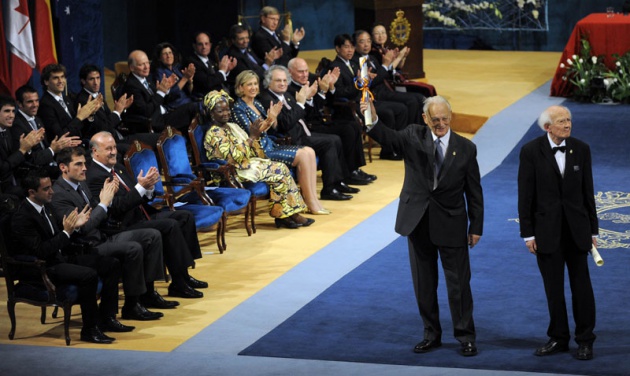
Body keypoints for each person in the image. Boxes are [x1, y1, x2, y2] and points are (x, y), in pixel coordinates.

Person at [364, 95, 483, 357]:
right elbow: (386, 136)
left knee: (459, 285)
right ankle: (431, 334)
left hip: (451, 223)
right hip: (417, 221)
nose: (440, 124)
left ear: (450, 118)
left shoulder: (466, 148)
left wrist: (476, 226)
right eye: (435, 119)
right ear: (425, 118)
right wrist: (371, 116)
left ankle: (466, 336)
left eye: (444, 119)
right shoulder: (412, 135)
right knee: (424, 284)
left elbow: (474, 191)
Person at [51, 147, 171, 320]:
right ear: (63, 167)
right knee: (133, 249)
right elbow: (84, 227)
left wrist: (106, 202)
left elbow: (97, 212)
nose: (85, 168)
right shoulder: (59, 195)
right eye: (78, 164)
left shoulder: (81, 183)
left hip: (103, 235)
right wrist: (104, 203)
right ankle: (131, 305)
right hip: (86, 246)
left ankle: (147, 294)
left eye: (85, 163)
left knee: (150, 236)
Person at [517, 105, 598, 361]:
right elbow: (525, 195)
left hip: (577, 232)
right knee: (553, 289)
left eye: (569, 120)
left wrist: (593, 230)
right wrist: (527, 234)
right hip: (546, 233)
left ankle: (585, 340)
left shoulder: (581, 149)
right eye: (561, 121)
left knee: (582, 288)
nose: (567, 124)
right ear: (547, 127)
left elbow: (588, 193)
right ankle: (559, 338)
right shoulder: (530, 152)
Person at [12, 169, 129, 343]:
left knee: (110, 264)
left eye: (51, 187)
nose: (51, 191)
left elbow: (61, 235)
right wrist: (67, 232)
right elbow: (41, 251)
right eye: (46, 189)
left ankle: (107, 318)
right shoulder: (22, 218)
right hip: (42, 267)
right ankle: (89, 330)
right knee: (88, 275)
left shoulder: (47, 206)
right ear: (32, 192)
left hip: (60, 258)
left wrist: (75, 227)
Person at [86, 131, 207, 299]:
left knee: (184, 217)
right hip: (123, 225)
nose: (114, 152)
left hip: (141, 214)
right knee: (169, 226)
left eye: (114, 147)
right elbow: (117, 207)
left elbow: (137, 194)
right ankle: (177, 283)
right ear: (95, 152)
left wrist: (148, 188)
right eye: (108, 149)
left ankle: (183, 275)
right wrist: (141, 187)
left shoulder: (118, 168)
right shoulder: (94, 177)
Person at [203, 90, 314, 229]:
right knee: (279, 170)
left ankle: (287, 214)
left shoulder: (232, 126)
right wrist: (252, 136)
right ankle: (286, 215)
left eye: (227, 109)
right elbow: (233, 158)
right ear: (211, 113)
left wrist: (260, 130)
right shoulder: (214, 133)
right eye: (220, 111)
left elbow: (251, 148)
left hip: (247, 163)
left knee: (281, 168)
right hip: (233, 171)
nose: (226, 113)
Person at [231, 70, 329, 214]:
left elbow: (269, 129)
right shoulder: (238, 108)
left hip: (270, 145)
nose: (253, 87)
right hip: (259, 152)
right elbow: (253, 133)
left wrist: (272, 119)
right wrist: (270, 119)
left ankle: (314, 199)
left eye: (255, 84)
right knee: (302, 155)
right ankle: (309, 203)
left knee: (309, 151)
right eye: (249, 85)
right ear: (240, 88)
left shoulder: (257, 103)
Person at [259, 65, 357, 201]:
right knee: (330, 141)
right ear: (269, 82)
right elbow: (285, 124)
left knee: (335, 138)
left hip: (304, 133)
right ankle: (329, 189)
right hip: (291, 139)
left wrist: (309, 99)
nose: (282, 84)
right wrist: (300, 103)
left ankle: (337, 182)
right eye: (278, 81)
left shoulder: (286, 95)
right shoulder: (266, 99)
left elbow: (306, 115)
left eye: (284, 80)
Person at [287, 57, 375, 185]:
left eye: (306, 71)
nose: (305, 74)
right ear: (290, 72)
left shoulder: (312, 80)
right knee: (341, 134)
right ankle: (346, 174)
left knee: (351, 126)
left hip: (320, 122)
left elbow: (328, 103)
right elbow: (307, 114)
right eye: (301, 71)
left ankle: (353, 170)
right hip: (308, 127)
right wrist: (312, 96)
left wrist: (328, 88)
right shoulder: (289, 90)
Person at [328, 34, 408, 160]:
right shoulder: (335, 67)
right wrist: (359, 83)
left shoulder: (353, 64)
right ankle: (389, 150)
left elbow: (362, 85)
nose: (350, 50)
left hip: (365, 100)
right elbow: (341, 93)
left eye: (352, 47)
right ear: (337, 49)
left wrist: (367, 79)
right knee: (387, 113)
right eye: (346, 47)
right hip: (352, 105)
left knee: (401, 108)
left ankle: (398, 146)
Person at [353, 30, 424, 125]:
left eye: (369, 41)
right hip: (376, 95)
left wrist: (398, 58)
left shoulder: (372, 58)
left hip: (386, 90)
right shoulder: (357, 61)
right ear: (355, 45)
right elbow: (372, 83)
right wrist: (385, 64)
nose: (366, 44)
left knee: (419, 98)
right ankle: (407, 133)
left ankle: (418, 130)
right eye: (362, 42)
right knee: (411, 101)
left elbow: (384, 74)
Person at [12, 85, 82, 179]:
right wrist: (52, 149)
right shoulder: (17, 125)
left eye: (36, 100)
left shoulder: (37, 120)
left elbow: (47, 146)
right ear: (19, 104)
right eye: (30, 102)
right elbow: (30, 160)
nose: (35, 105)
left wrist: (61, 145)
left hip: (49, 163)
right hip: (35, 173)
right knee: (74, 171)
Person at [121, 50, 199, 133]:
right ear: (132, 68)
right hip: (155, 122)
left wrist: (166, 89)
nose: (146, 67)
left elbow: (161, 99)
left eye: (147, 63)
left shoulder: (147, 78)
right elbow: (146, 111)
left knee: (196, 107)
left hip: (164, 113)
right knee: (192, 108)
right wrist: (161, 92)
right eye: (141, 64)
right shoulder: (131, 86)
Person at [37, 63, 101, 141]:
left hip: (80, 143)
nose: (61, 81)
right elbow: (60, 136)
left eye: (62, 77)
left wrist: (90, 115)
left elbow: (82, 130)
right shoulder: (45, 105)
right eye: (56, 78)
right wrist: (79, 117)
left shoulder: (67, 99)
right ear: (46, 82)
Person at [0, 95, 45, 197]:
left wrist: (29, 147)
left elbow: (16, 158)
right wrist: (23, 149)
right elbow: (2, 169)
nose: (11, 115)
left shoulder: (7, 130)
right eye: (7, 111)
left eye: (13, 111)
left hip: (15, 180)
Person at [184, 32, 237, 99]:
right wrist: (222, 71)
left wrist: (226, 70)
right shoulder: (191, 62)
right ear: (194, 46)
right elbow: (207, 83)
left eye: (206, 44)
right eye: (200, 44)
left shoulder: (211, 60)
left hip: (219, 96)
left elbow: (217, 78)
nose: (204, 47)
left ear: (210, 45)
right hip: (204, 99)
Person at [151, 42, 195, 110]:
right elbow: (170, 96)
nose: (168, 56)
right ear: (159, 58)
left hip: (187, 102)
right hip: (175, 107)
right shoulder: (159, 72)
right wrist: (185, 78)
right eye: (165, 54)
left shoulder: (176, 69)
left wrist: (189, 82)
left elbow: (189, 91)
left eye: (170, 53)